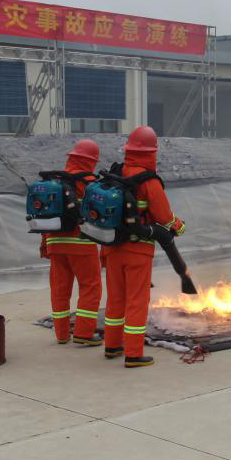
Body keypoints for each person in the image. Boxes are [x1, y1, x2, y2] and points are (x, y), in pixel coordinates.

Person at [103, 126, 186, 368]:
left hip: (112, 247)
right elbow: (163, 216)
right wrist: (179, 226)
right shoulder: (148, 180)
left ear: (129, 149)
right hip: (138, 250)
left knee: (115, 298)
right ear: (152, 153)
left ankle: (112, 346)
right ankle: (133, 354)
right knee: (137, 301)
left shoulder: (116, 173)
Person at [42, 138, 103, 346]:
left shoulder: (54, 182)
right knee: (90, 287)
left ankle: (61, 334)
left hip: (54, 242)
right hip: (81, 243)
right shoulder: (89, 183)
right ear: (91, 161)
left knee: (60, 289)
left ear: (72, 157)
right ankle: (84, 333)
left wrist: (45, 244)